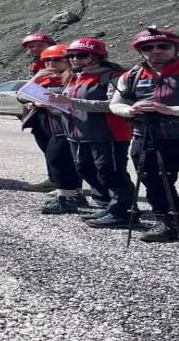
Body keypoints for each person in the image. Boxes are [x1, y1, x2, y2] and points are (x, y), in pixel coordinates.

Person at [110, 27, 179, 242]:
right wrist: (130, 110)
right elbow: (116, 104)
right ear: (141, 51)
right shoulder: (132, 75)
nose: (156, 51)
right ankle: (169, 225)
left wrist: (173, 111)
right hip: (149, 139)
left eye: (163, 46)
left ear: (176, 48)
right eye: (148, 47)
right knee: (155, 183)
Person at [48, 38, 134, 229]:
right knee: (85, 169)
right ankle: (109, 205)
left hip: (107, 134)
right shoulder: (75, 76)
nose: (74, 59)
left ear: (97, 56)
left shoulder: (112, 76)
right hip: (78, 133)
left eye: (81, 55)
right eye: (70, 55)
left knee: (110, 172)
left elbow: (115, 105)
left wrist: (72, 103)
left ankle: (122, 211)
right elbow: (69, 103)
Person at [18, 44, 86, 214]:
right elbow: (21, 95)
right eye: (47, 60)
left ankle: (67, 195)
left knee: (59, 159)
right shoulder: (45, 78)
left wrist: (52, 103)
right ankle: (72, 193)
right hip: (46, 123)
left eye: (56, 59)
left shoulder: (75, 78)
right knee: (57, 158)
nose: (50, 63)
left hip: (67, 125)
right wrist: (35, 80)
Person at [20, 33, 58, 192]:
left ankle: (65, 183)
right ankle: (54, 179)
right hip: (39, 112)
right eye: (31, 46)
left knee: (57, 150)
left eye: (39, 45)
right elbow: (25, 92)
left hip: (58, 113)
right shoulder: (35, 66)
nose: (34, 49)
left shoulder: (62, 62)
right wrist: (30, 101)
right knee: (47, 148)